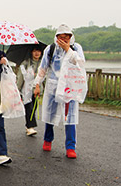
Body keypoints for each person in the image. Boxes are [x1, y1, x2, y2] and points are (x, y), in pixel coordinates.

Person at [34, 24, 85, 159]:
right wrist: (37, 84)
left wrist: (68, 50)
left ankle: (70, 147)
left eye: (66, 37)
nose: (63, 40)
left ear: (70, 37)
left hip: (69, 87)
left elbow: (80, 64)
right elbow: (43, 68)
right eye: (61, 38)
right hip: (53, 86)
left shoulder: (76, 48)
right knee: (50, 114)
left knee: (70, 117)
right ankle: (47, 140)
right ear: (56, 38)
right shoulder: (50, 49)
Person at [16, 46, 43, 136]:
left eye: (39, 51)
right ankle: (30, 127)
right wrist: (17, 90)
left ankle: (28, 126)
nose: (37, 53)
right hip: (26, 90)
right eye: (35, 51)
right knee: (29, 108)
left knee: (33, 108)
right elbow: (20, 77)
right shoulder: (26, 63)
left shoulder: (43, 63)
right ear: (31, 52)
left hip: (37, 90)